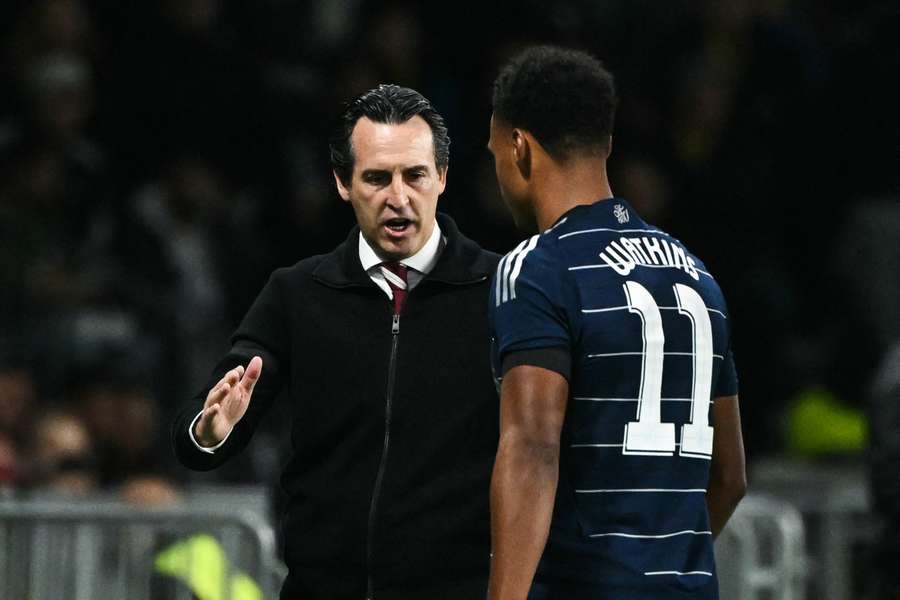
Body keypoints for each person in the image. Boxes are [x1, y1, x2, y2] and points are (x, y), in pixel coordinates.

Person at [172, 84, 501, 600]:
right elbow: (212, 423)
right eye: (376, 178)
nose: (398, 197)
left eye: (414, 175)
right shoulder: (297, 292)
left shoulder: (501, 290)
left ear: (441, 176)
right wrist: (211, 427)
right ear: (343, 184)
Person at [484, 47, 747, 600]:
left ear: (519, 147)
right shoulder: (698, 274)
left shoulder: (538, 266)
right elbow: (730, 476)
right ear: (605, 142)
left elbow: (532, 447)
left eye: (494, 154)